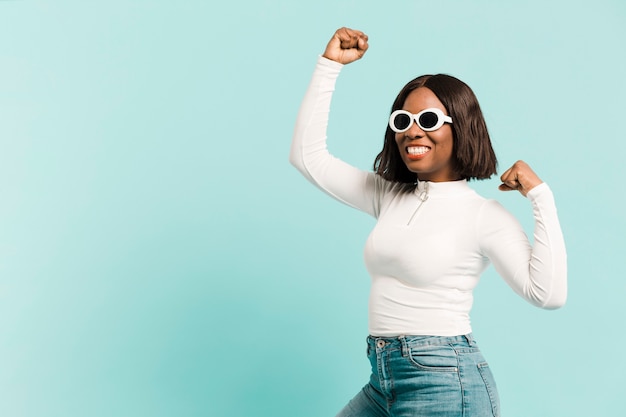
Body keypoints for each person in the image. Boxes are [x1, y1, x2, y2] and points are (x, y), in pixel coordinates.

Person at [289, 27, 567, 417]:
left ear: (462, 127)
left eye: (429, 119)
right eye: (402, 121)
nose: (412, 131)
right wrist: (329, 65)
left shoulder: (482, 215)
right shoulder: (389, 196)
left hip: (444, 380)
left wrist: (541, 198)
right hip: (383, 378)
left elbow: (548, 294)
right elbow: (307, 157)